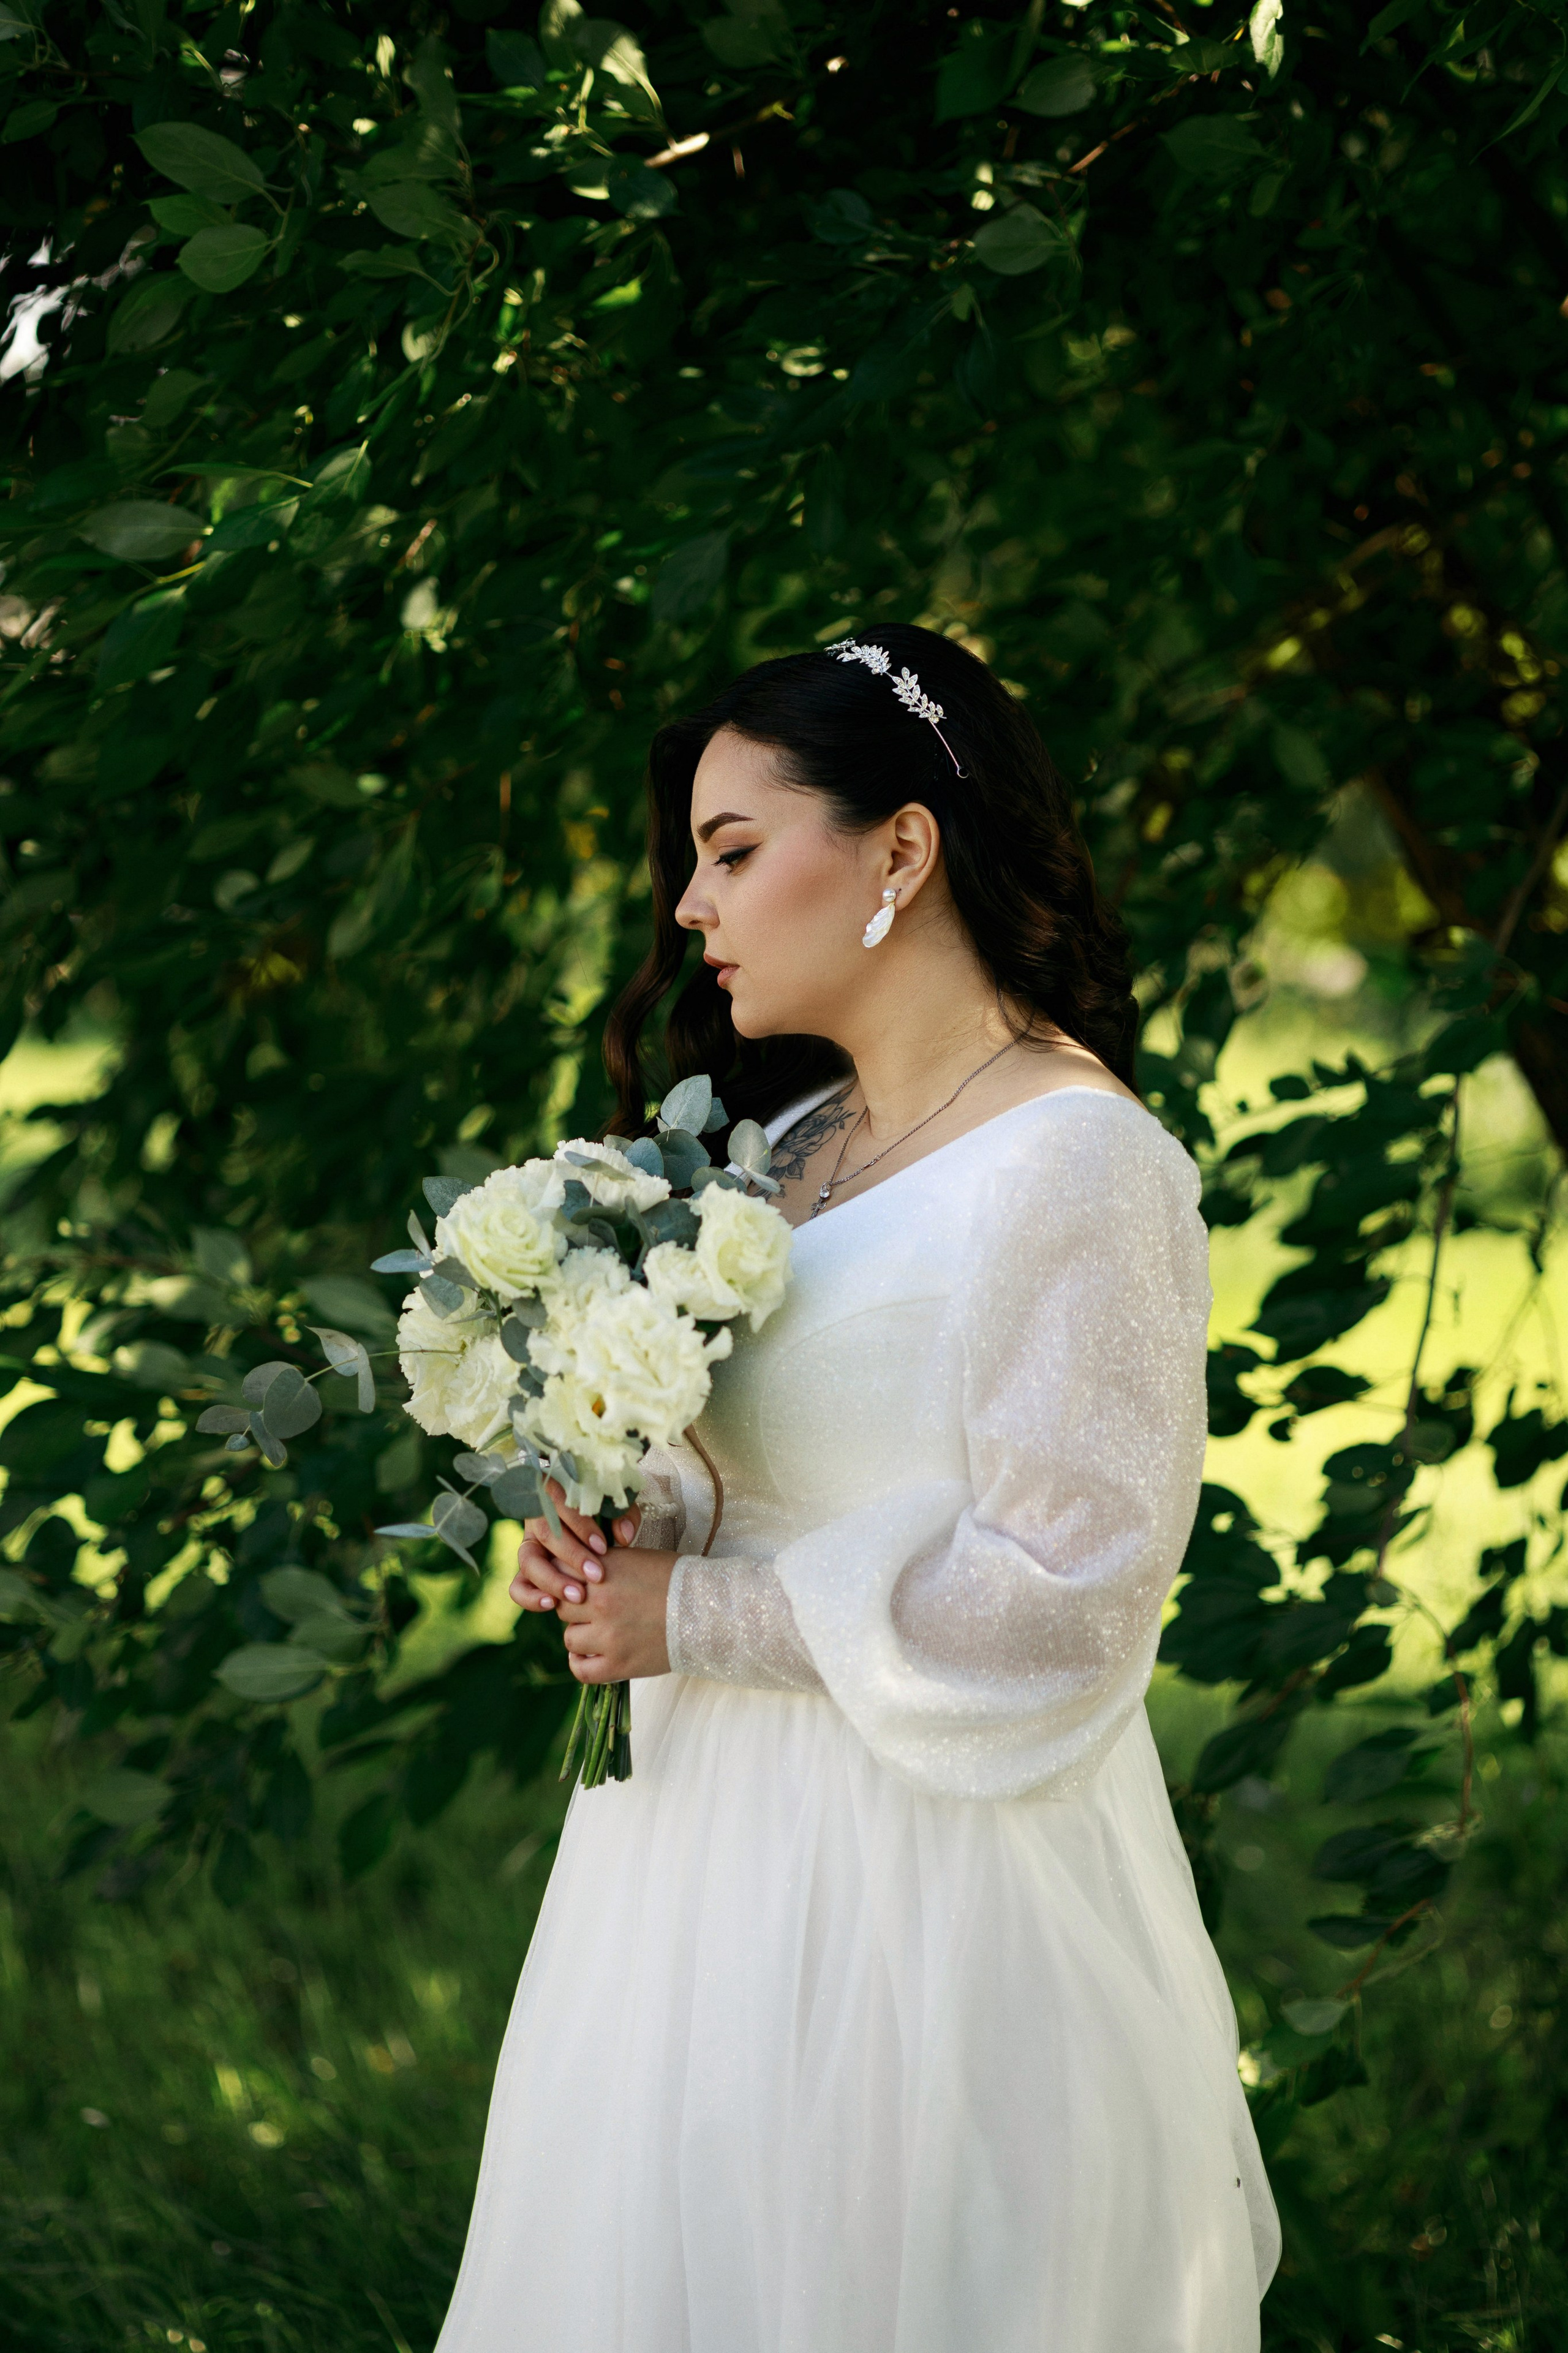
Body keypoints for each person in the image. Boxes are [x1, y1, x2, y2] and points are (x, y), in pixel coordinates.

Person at [434, 624, 1280, 2352]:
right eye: (695, 860)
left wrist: (701, 1610)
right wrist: (622, 1528)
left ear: (902, 847)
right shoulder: (786, 1152)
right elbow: (759, 1464)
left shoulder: (1080, 1163)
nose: (690, 903)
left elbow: (1073, 1594)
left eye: (734, 850)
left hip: (931, 1880)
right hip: (687, 1855)